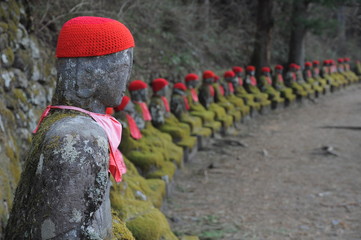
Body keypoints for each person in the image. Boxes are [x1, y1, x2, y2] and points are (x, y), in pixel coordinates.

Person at [5, 16, 134, 239]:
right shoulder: (79, 137)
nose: (128, 78)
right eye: (123, 67)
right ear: (87, 74)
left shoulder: (64, 123)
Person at [128, 80, 184, 167]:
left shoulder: (144, 105)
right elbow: (155, 121)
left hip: (151, 131)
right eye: (145, 92)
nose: (147, 95)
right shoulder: (138, 107)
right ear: (137, 93)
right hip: (145, 135)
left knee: (168, 137)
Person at [149, 78, 197, 150]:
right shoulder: (155, 102)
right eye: (166, 88)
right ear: (160, 89)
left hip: (169, 123)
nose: (167, 90)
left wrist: (173, 121)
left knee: (185, 127)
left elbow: (168, 115)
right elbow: (158, 121)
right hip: (162, 126)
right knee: (179, 132)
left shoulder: (162, 100)